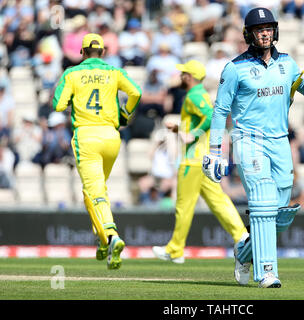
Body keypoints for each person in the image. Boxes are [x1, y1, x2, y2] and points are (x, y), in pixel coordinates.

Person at [202, 8, 304, 288]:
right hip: (248, 140)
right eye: (259, 29)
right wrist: (214, 150)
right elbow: (220, 109)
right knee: (263, 202)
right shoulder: (235, 68)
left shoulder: (289, 64)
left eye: (269, 28)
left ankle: (244, 252)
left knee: (281, 215)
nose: (265, 33)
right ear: (249, 34)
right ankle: (267, 272)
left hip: (280, 141)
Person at [53, 33, 142, 269]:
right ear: (103, 52)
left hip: (86, 136)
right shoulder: (113, 72)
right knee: (95, 190)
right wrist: (124, 114)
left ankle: (111, 235)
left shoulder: (72, 73)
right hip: (112, 137)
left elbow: (58, 104)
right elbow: (136, 92)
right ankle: (103, 242)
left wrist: (73, 97)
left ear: (82, 52)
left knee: (94, 191)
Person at [152, 59, 248, 264]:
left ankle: (175, 249)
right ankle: (242, 235)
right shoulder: (200, 94)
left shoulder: (194, 95)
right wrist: (181, 130)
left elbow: (210, 115)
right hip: (203, 159)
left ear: (189, 77)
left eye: (183, 73)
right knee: (218, 201)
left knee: (184, 206)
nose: (180, 76)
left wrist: (192, 134)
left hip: (192, 160)